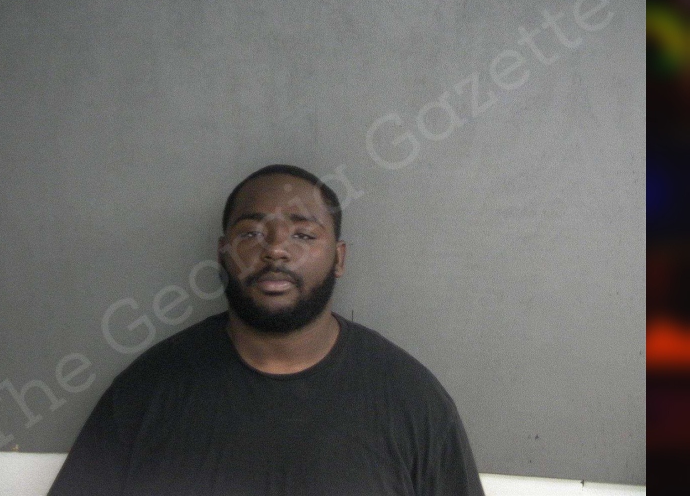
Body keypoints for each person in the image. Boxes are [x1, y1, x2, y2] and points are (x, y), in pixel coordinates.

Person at [48, 164, 485, 496]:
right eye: (251, 234)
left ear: (338, 258)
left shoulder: (413, 402)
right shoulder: (146, 392)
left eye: (303, 235)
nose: (275, 249)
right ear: (223, 253)